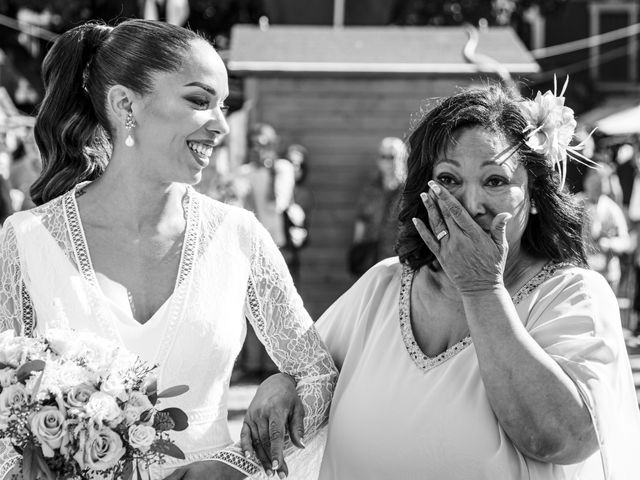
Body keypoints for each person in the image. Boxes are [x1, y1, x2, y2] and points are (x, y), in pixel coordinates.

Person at [242, 82, 640, 479]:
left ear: (534, 195)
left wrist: (482, 288)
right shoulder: (382, 286)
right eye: (449, 180)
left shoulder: (570, 295)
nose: (470, 205)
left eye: (496, 181)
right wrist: (280, 384)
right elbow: (312, 374)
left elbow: (563, 438)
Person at [0, 19, 337, 480]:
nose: (220, 124)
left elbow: (318, 376)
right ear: (125, 105)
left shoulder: (238, 235)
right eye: (200, 101)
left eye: (223, 105)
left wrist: (236, 462)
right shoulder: (26, 240)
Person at [233, 123, 297, 382]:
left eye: (264, 144)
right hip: (248, 248)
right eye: (255, 144)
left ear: (273, 144)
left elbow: (277, 202)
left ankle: (277, 365)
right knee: (246, 306)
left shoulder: (283, 168)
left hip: (279, 245)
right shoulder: (244, 173)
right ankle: (251, 364)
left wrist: (270, 173)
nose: (259, 149)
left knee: (277, 305)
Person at [348, 136, 407, 277]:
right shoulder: (370, 190)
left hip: (399, 257)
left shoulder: (409, 190)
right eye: (383, 156)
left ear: (402, 158)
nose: (387, 161)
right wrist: (358, 248)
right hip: (372, 256)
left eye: (391, 156)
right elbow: (361, 220)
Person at [580, 163, 631, 295]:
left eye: (602, 181)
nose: (598, 185)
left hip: (607, 276)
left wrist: (610, 244)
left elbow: (626, 242)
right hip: (582, 274)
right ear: (587, 181)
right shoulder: (576, 204)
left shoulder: (612, 209)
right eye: (595, 181)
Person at [281, 143, 312, 283]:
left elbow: (304, 231)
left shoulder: (304, 194)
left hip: (290, 254)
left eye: (297, 165)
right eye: (289, 162)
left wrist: (301, 233)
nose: (292, 168)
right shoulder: (272, 187)